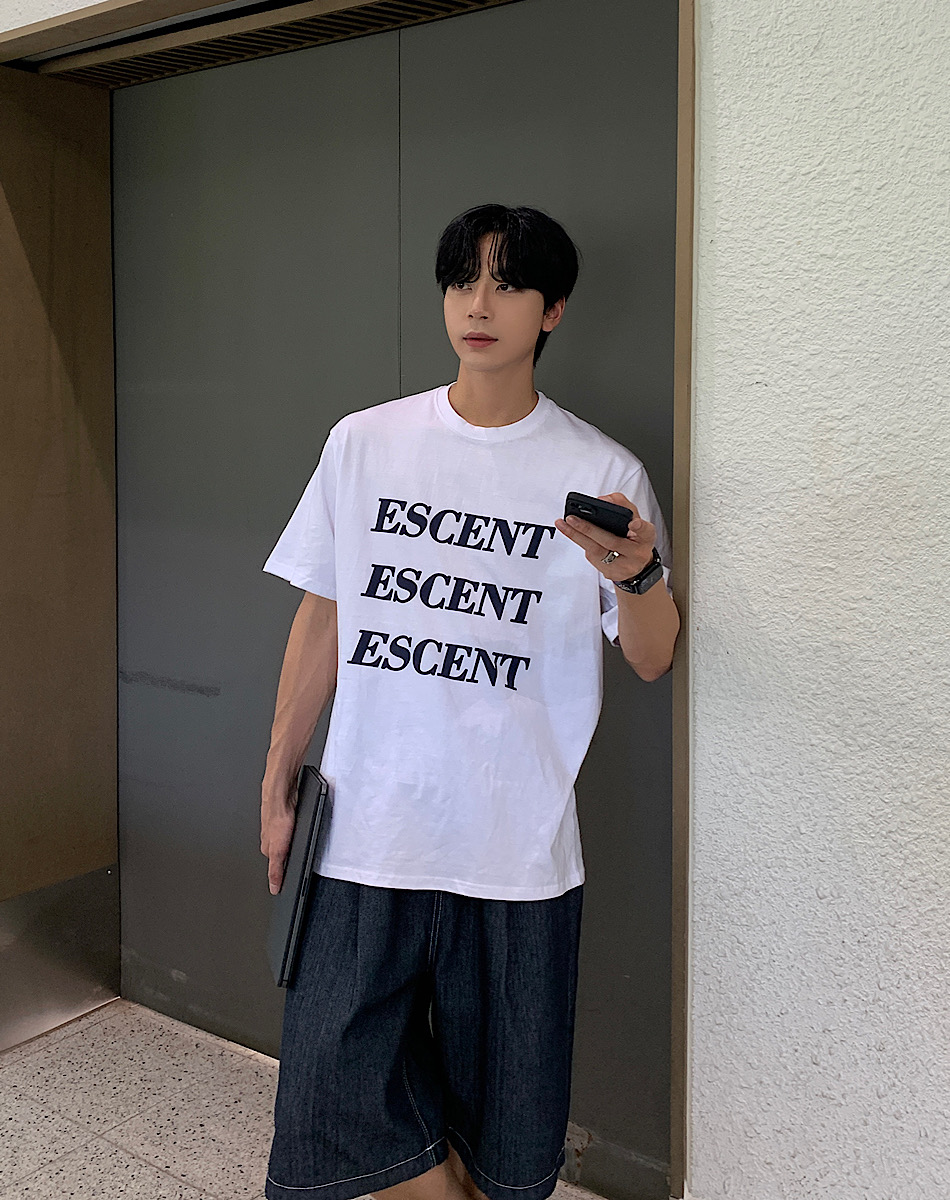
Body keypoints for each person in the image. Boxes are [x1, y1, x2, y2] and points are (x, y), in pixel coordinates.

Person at [259, 204, 681, 1200]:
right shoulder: (365, 443)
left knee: (506, 1141)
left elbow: (652, 657)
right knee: (328, 1098)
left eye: (507, 283)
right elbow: (323, 617)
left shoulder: (599, 471)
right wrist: (277, 781)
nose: (478, 305)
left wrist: (636, 574)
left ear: (553, 310)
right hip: (368, 833)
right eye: (462, 281)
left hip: (514, 853)